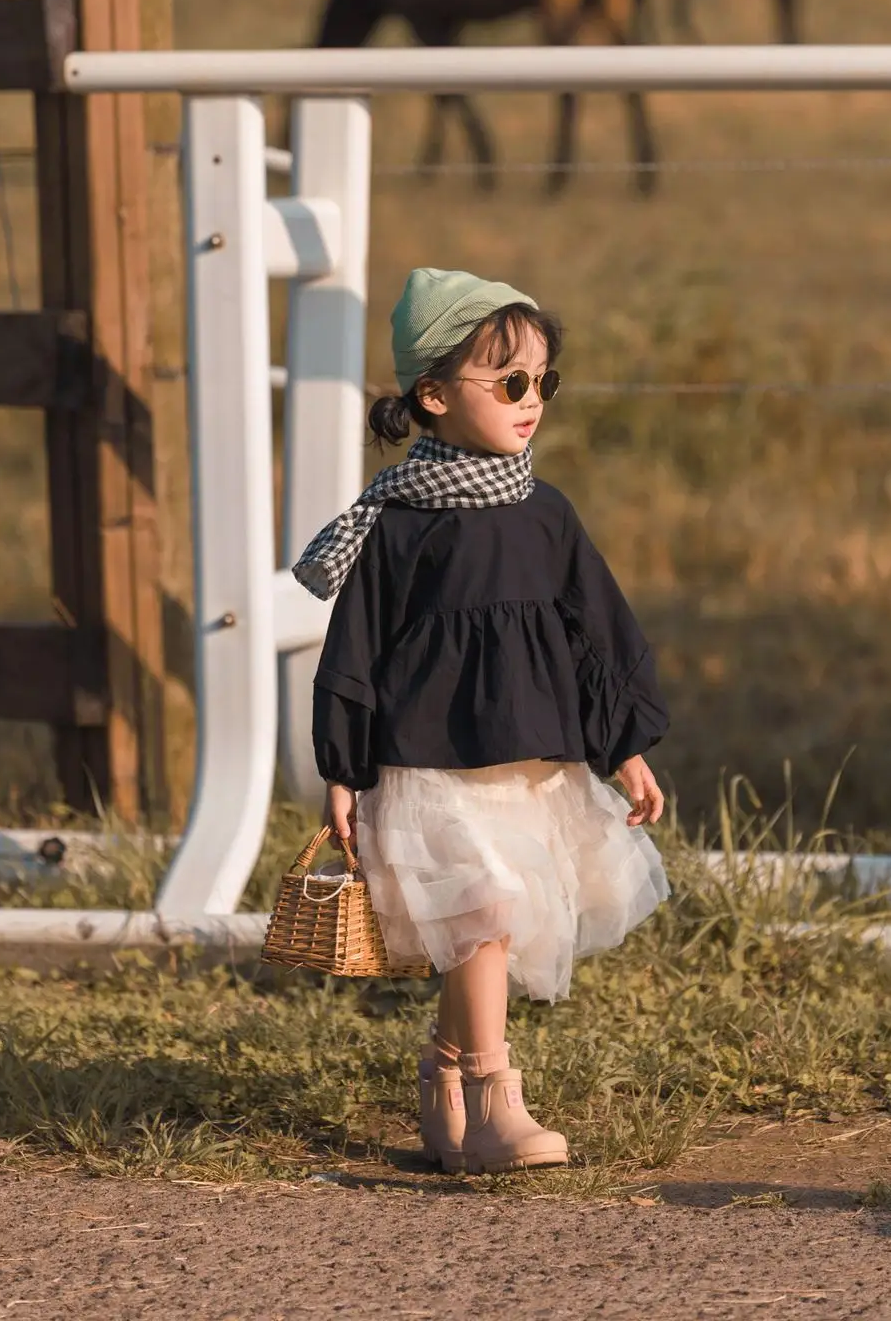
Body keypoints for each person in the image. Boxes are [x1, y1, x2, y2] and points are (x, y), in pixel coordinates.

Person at [293, 266, 669, 1175]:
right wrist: (342, 766)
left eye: (543, 381)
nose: (531, 400)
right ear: (432, 394)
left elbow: (596, 633)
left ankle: (445, 1080)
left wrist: (624, 746)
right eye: (509, 382)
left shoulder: (546, 515)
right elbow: (357, 647)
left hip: (529, 768)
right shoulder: (399, 523)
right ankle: (499, 1098)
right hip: (427, 767)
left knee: (488, 926)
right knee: (485, 911)